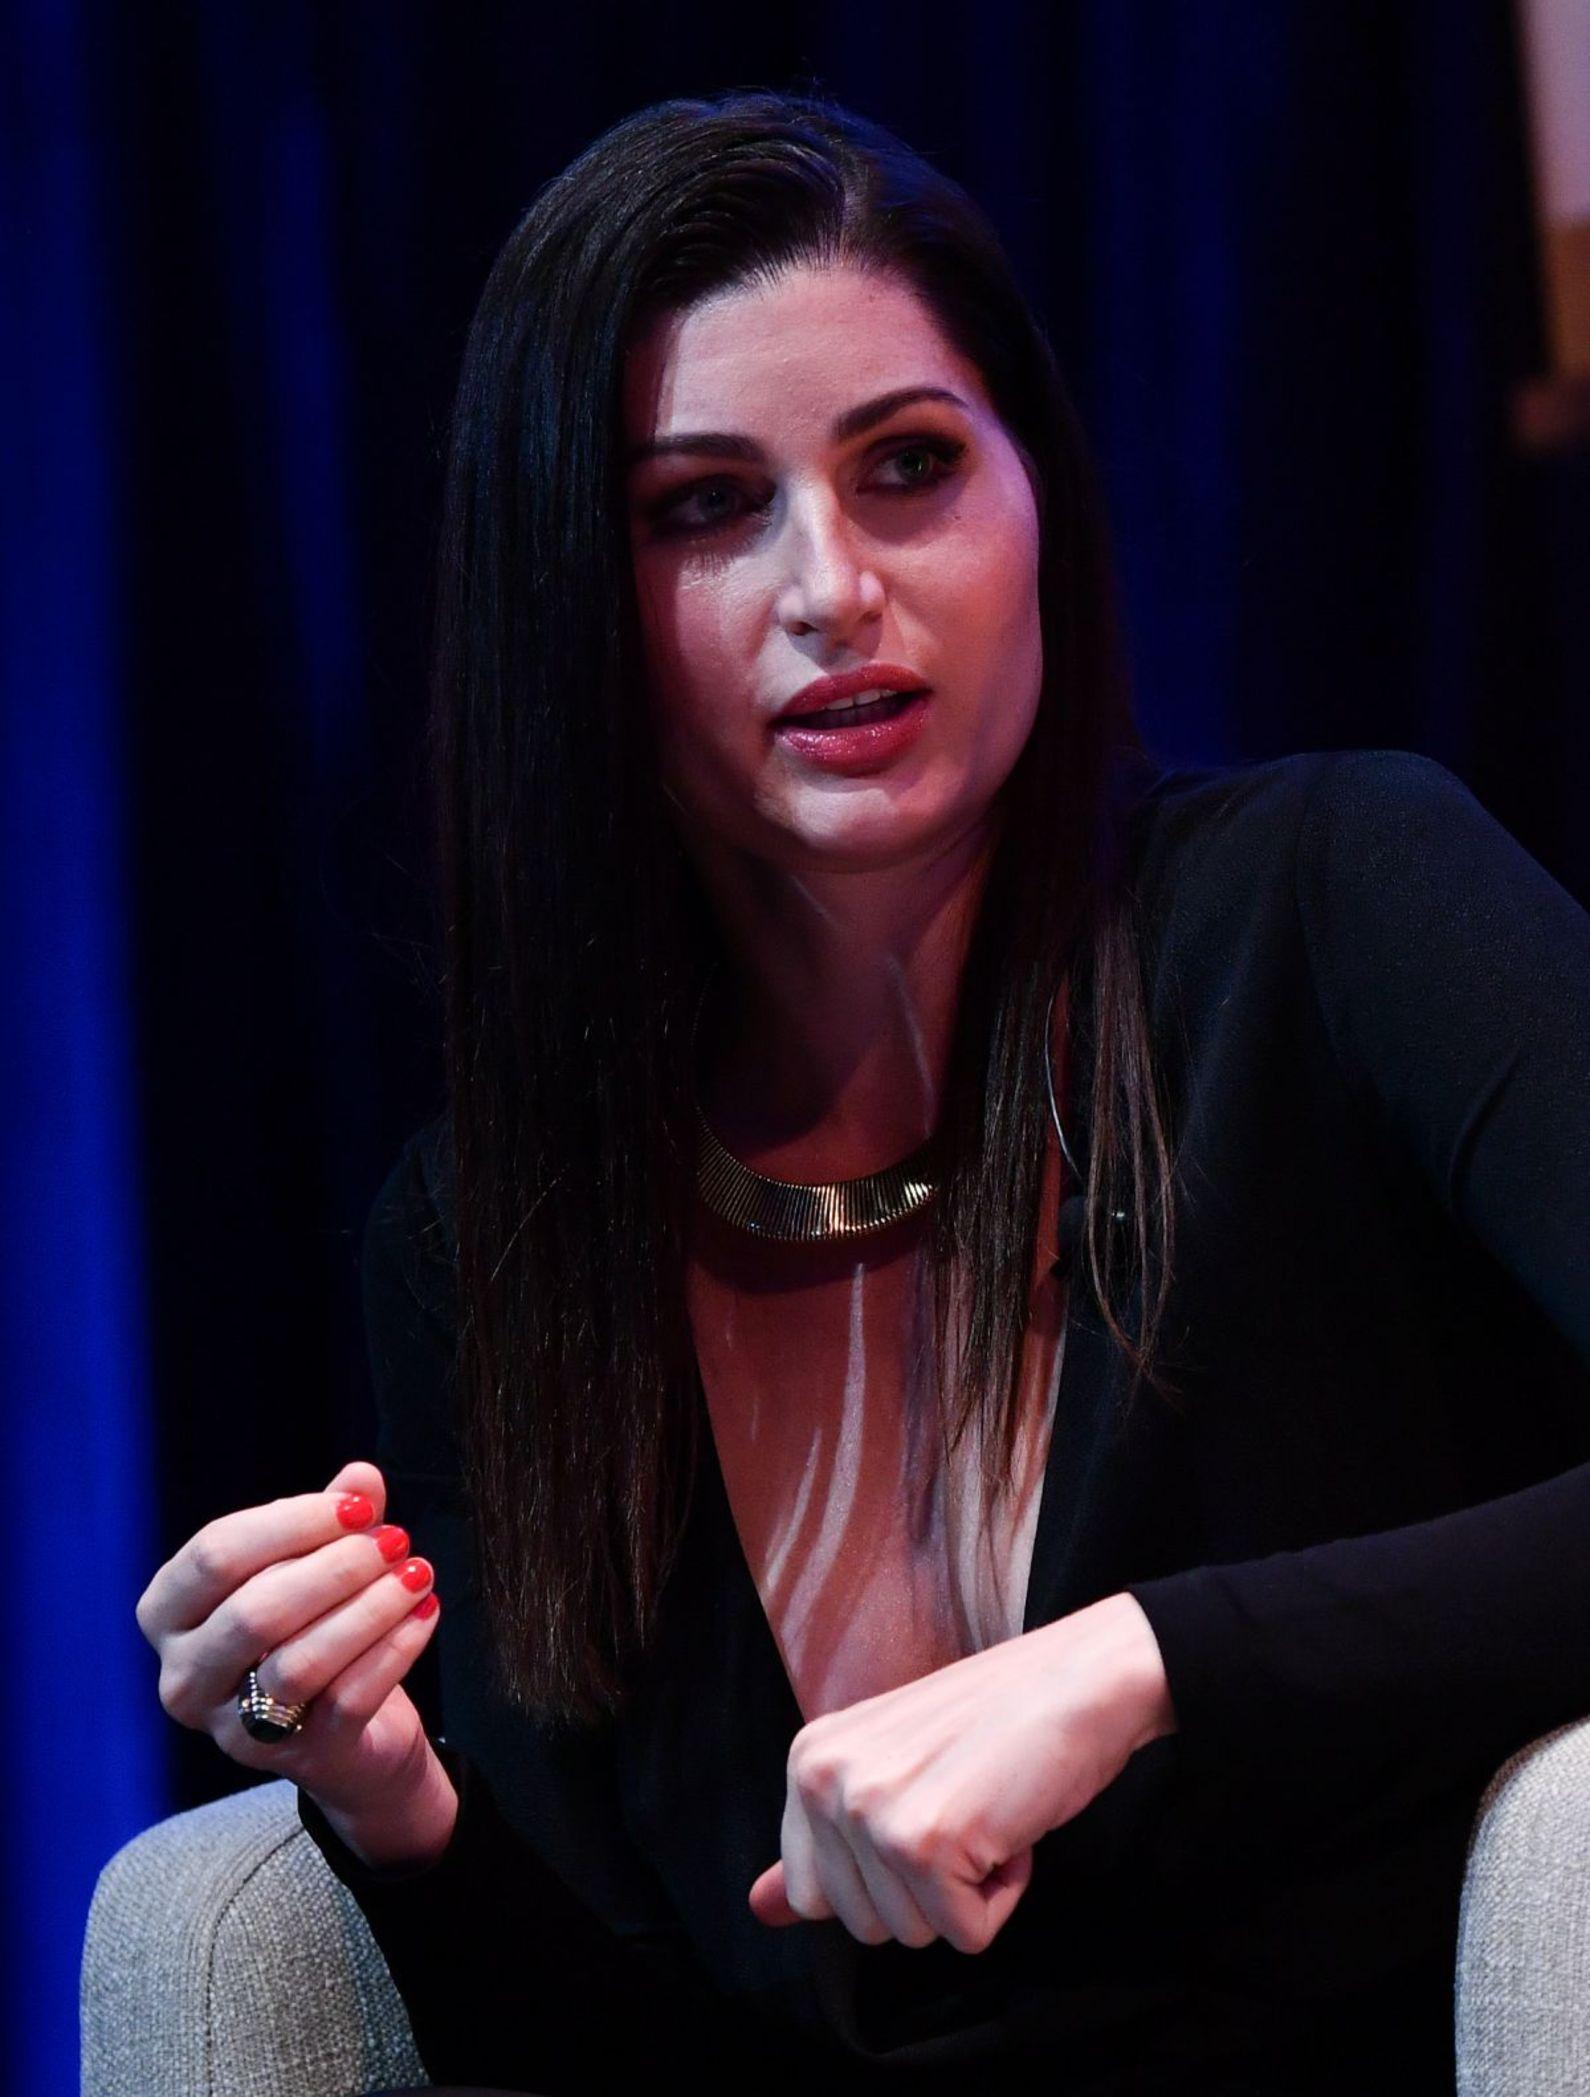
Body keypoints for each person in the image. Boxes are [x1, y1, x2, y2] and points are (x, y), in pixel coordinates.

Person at [135, 87, 1590, 2096]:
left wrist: (1137, 1662)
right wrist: (389, 1793)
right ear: (576, 594)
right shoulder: (496, 1228)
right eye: (705, 506)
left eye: (908, 465)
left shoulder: (1340, 906)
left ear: (1039, 500)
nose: (833, 585)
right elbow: (615, 2040)